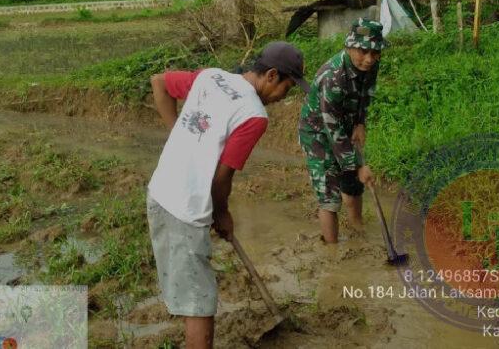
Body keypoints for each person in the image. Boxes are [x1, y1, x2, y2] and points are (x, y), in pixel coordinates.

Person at [146, 41, 309, 349]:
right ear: (271, 76)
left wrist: (178, 136)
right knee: (199, 303)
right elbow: (222, 177)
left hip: (159, 193)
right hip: (186, 207)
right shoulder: (253, 115)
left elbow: (159, 82)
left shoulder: (211, 76)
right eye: (286, 89)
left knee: (189, 287)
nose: (282, 98)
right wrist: (222, 214)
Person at [299, 18, 386, 244]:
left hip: (345, 122)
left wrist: (360, 122)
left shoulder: (371, 64)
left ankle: (358, 229)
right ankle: (332, 250)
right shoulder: (333, 77)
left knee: (354, 182)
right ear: (349, 46)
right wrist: (357, 165)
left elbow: (366, 94)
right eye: (363, 51)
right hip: (318, 131)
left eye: (375, 52)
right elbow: (332, 128)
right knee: (329, 193)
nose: (369, 58)